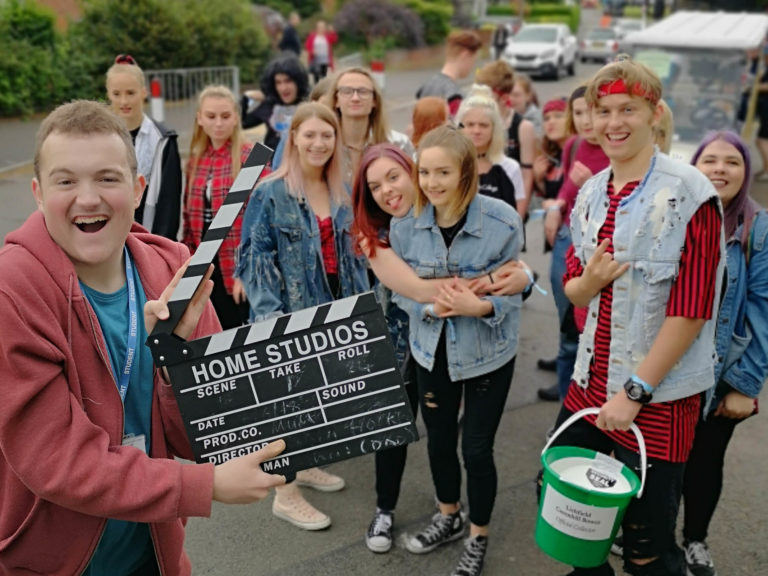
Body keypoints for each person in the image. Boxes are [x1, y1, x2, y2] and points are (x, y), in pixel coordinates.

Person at [0, 100, 287, 576]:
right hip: (49, 563)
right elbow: (58, 460)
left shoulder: (176, 270)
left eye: (108, 178)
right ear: (37, 192)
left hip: (153, 555)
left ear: (138, 189)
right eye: (66, 180)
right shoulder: (14, 289)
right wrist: (204, 485)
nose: (88, 198)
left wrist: (175, 359)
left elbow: (204, 438)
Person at [547, 57, 724, 576]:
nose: (613, 122)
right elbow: (575, 294)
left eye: (628, 108)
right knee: (574, 518)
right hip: (588, 384)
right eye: (603, 111)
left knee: (645, 542)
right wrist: (592, 282)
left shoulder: (691, 194)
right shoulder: (590, 194)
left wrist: (634, 394)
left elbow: (691, 313)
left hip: (658, 398)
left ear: (654, 112)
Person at [390, 125, 523, 576]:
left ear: (467, 171)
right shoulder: (404, 225)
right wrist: (432, 303)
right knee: (440, 441)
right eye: (424, 171)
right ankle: (449, 514)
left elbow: (515, 287)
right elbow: (397, 292)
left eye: (443, 172)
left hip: (489, 353)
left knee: (477, 450)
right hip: (431, 352)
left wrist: (481, 305)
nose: (431, 183)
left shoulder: (503, 220)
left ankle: (478, 534)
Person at [236, 102, 369, 531]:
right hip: (288, 316)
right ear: (293, 138)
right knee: (286, 408)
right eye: (309, 135)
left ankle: (306, 465)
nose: (318, 143)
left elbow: (354, 259)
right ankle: (285, 494)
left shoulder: (341, 191)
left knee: (317, 403)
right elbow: (256, 264)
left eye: (326, 136)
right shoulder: (270, 192)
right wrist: (273, 326)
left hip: (334, 312)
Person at [681, 131, 768, 576]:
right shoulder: (674, 216)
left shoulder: (758, 227)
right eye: (709, 159)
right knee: (653, 460)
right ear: (692, 167)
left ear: (746, 172)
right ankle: (646, 534)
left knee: (705, 462)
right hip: (666, 369)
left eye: (731, 161)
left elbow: (763, 308)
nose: (719, 169)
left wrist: (743, 386)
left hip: (721, 375)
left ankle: (695, 538)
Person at [536, 85, 610, 401]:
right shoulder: (574, 145)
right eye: (578, 113)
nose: (585, 120)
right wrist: (555, 208)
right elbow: (567, 187)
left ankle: (583, 387)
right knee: (566, 312)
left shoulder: (616, 148)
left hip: (600, 245)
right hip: (568, 235)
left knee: (592, 321)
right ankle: (567, 385)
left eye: (593, 111)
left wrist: (590, 184)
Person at [183, 85, 251, 330]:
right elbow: (189, 220)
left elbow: (261, 223)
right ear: (200, 119)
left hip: (237, 263)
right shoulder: (195, 161)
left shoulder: (250, 158)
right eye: (211, 117)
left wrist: (248, 270)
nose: (218, 123)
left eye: (225, 116)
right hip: (206, 263)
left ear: (236, 118)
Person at [106, 54, 182, 240]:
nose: (124, 101)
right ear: (108, 93)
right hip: (108, 239)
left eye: (130, 93)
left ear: (143, 92)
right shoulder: (96, 137)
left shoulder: (162, 141)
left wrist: (160, 247)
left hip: (149, 239)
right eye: (117, 94)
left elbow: (169, 204)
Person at [323, 66, 414, 183]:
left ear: (374, 101)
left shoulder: (398, 144)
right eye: (346, 91)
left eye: (363, 92)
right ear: (336, 100)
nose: (355, 98)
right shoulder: (324, 145)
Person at [475, 60, 536, 217]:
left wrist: (518, 217)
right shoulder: (476, 122)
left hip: (510, 199)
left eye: (488, 95)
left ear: (503, 96)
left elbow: (526, 175)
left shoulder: (523, 127)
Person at [456, 85, 525, 213]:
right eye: (470, 124)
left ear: (494, 129)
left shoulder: (510, 167)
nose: (476, 131)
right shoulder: (449, 165)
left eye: (483, 125)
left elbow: (516, 219)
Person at [241, 54, 310, 151]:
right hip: (267, 154)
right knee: (256, 157)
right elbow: (241, 123)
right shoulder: (270, 105)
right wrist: (245, 98)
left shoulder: (310, 106)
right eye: (278, 82)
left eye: (288, 81)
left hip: (298, 156)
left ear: (298, 82)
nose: (283, 88)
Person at [416, 30, 483, 119]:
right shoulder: (454, 95)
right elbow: (455, 130)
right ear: (465, 55)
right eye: (473, 60)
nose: (473, 66)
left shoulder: (425, 87)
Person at [533, 97, 569, 209]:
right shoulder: (550, 156)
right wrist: (539, 179)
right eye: (546, 118)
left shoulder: (579, 153)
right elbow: (551, 194)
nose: (551, 122)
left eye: (558, 116)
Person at [510, 74, 543, 139]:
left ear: (528, 96)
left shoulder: (535, 119)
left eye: (516, 95)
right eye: (508, 94)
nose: (511, 99)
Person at [305, 20, 338, 84]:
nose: (322, 29)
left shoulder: (327, 36)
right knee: (316, 78)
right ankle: (317, 91)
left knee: (324, 77)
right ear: (317, 28)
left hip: (325, 60)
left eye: (323, 27)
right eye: (320, 27)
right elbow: (307, 46)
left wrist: (332, 31)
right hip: (315, 60)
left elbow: (335, 40)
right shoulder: (312, 36)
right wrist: (312, 51)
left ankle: (322, 91)